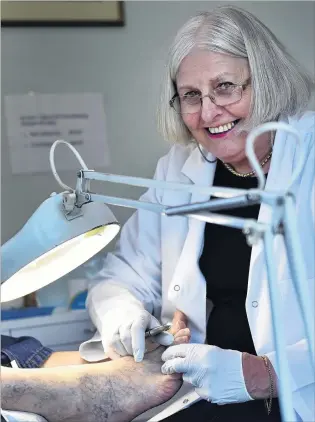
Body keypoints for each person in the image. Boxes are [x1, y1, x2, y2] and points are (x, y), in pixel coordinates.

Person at [79, 5, 315, 422]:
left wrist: (265, 374)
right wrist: (122, 314)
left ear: (267, 81)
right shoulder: (179, 168)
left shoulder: (308, 156)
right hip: (203, 397)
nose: (208, 114)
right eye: (191, 95)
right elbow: (121, 275)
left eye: (225, 87)